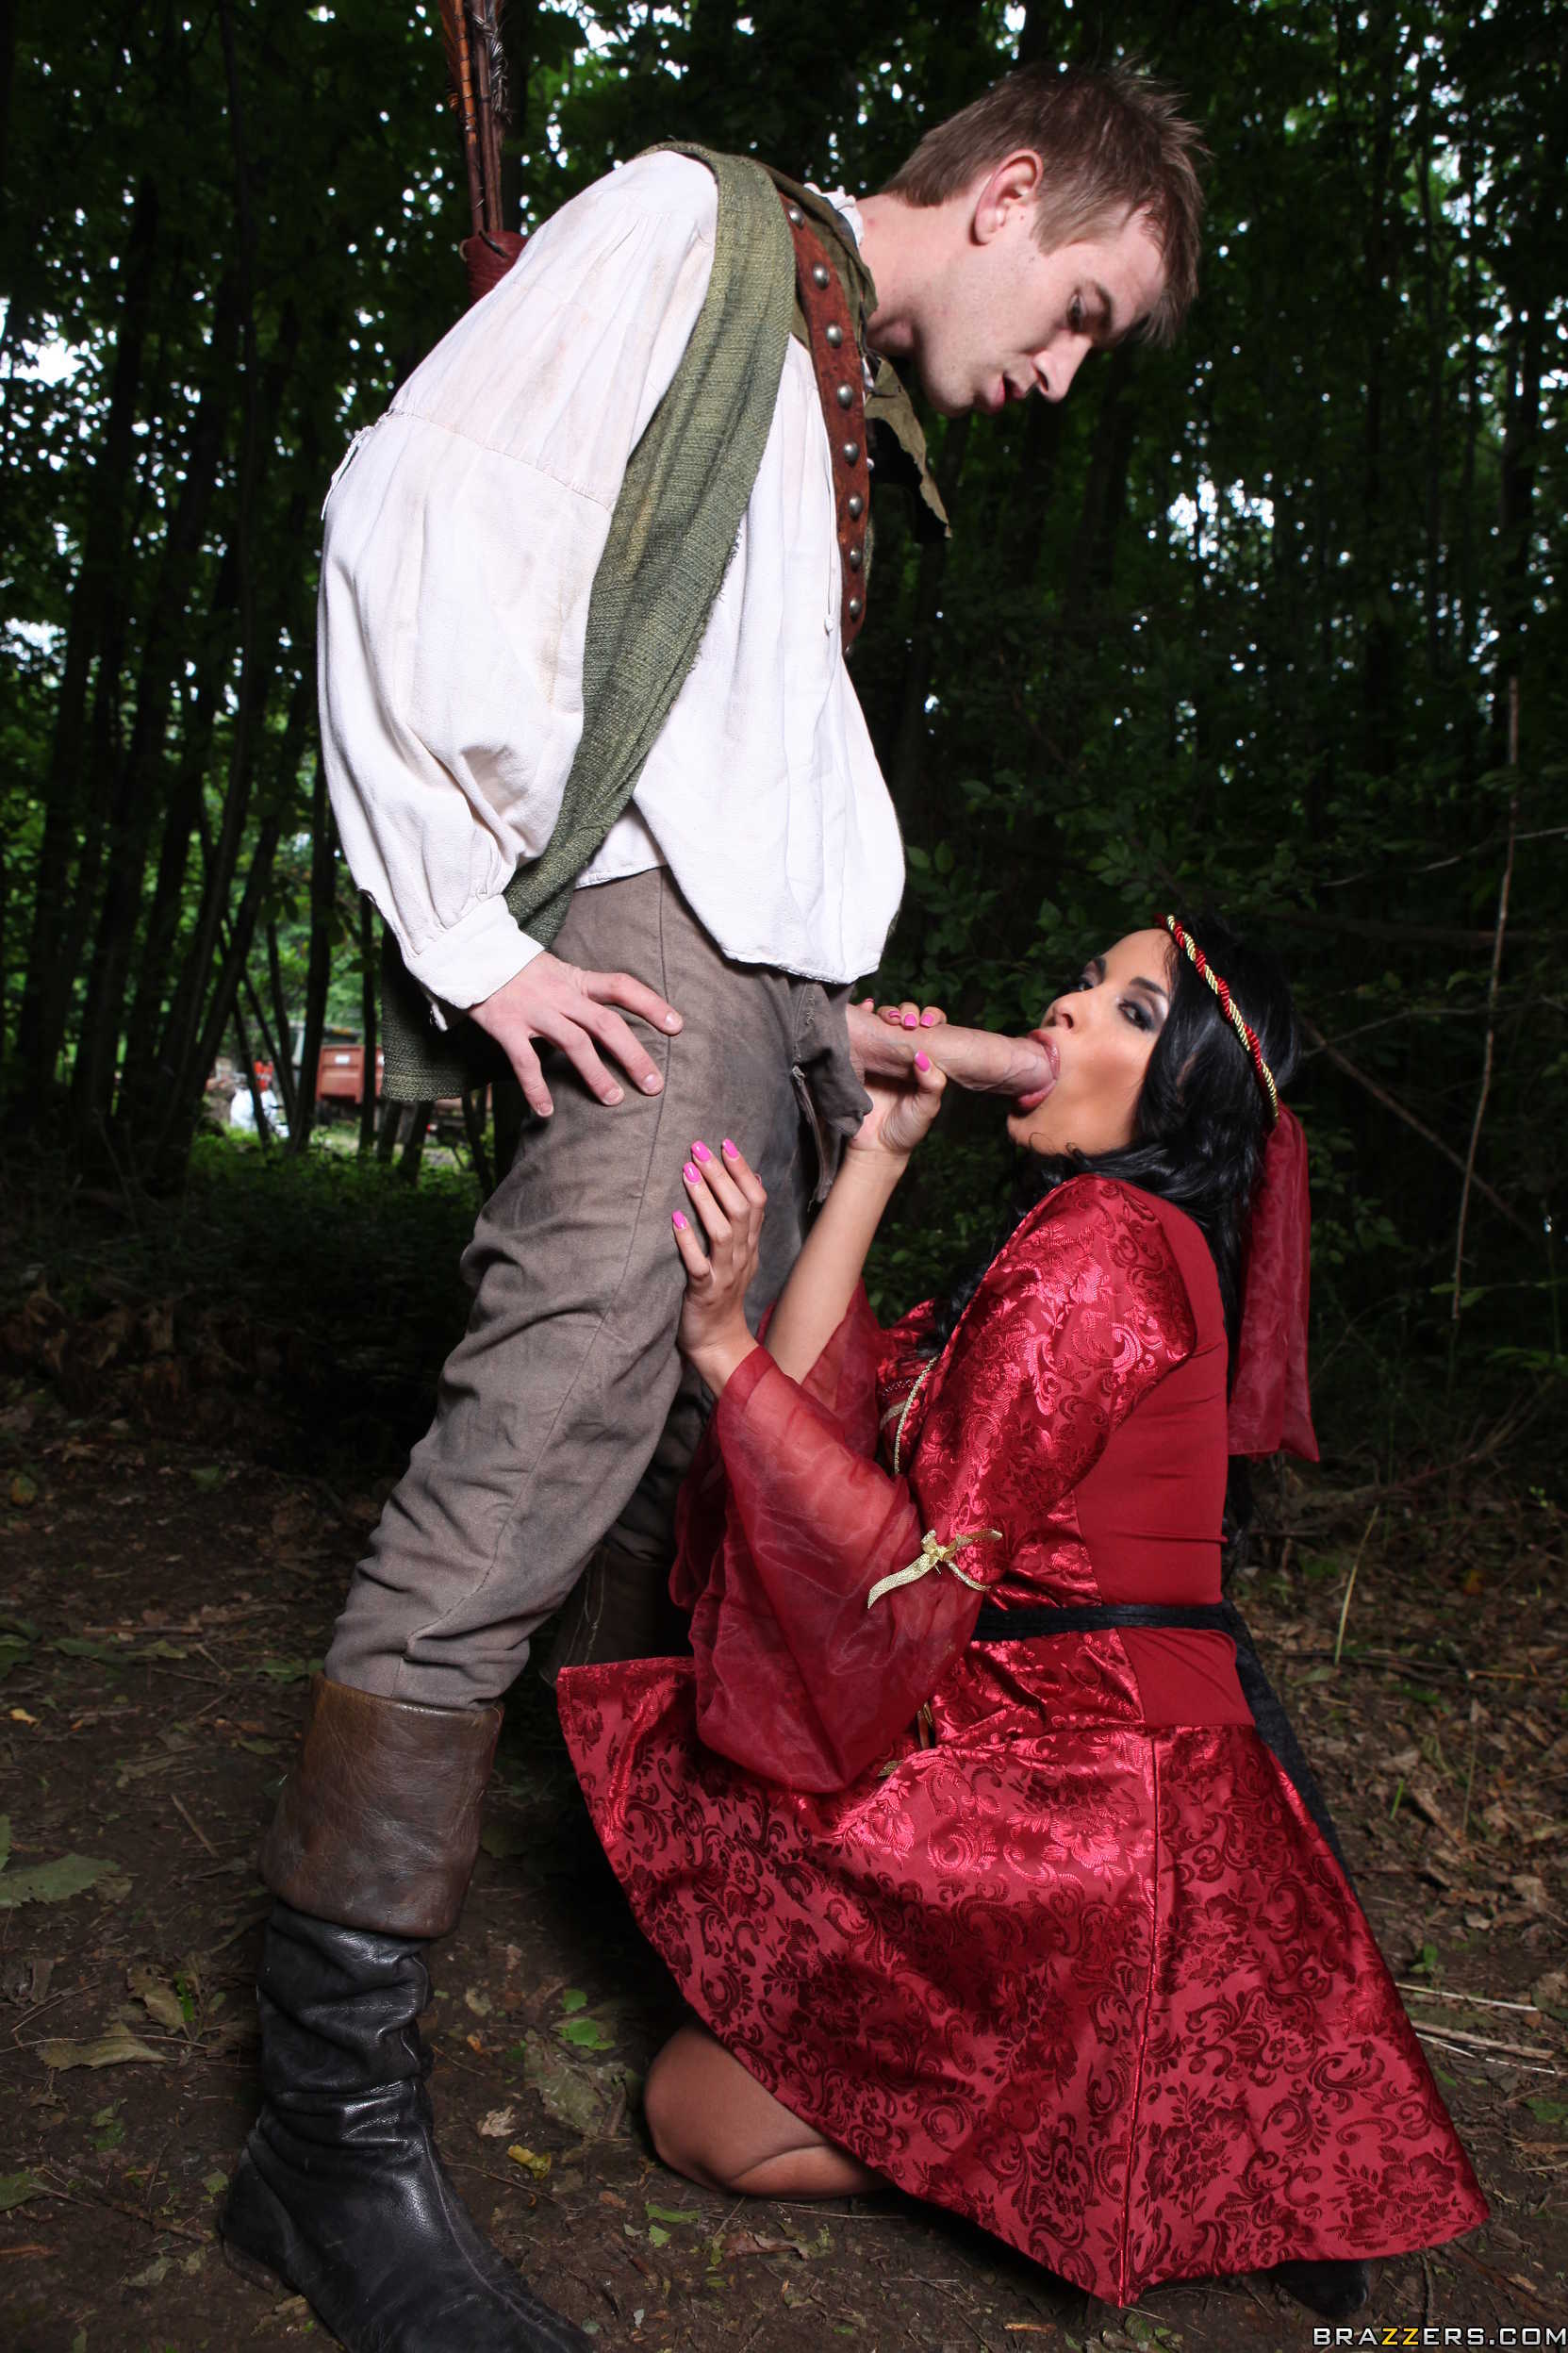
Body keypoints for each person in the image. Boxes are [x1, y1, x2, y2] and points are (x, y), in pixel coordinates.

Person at [222, 64, 1208, 2353]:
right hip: (651, 975)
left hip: (766, 1000)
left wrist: (834, 1025)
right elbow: (419, 507)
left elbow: (730, 731)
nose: (1062, 374)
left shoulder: (830, 371)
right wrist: (471, 938)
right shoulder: (691, 226)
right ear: (1010, 192)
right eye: (1079, 310)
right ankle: (324, 2141)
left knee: (706, 1509)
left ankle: (721, 1983)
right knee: (527, 1469)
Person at [558, 916, 1488, 2314]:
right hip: (1068, 1757)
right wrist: (879, 1151)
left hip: (1093, 1803)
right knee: (710, 2086)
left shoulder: (1108, 1242)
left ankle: (1082, 2151)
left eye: (1129, 1008)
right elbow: (812, 1407)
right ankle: (1111, 2131)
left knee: (701, 2113)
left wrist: (717, 1341)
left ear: (1183, 1090)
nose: (1065, 1005)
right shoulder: (1091, 1235)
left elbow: (910, 1566)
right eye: (1086, 980)